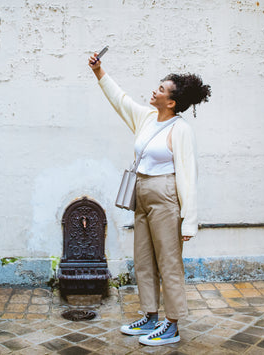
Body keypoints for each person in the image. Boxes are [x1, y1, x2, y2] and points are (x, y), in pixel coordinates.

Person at [88, 52, 211, 346]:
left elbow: (188, 175)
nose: (154, 91)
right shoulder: (146, 117)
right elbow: (121, 99)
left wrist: (188, 222)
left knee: (169, 263)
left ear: (171, 102)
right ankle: (150, 315)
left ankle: (172, 324)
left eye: (161, 89)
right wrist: (99, 71)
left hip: (166, 197)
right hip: (141, 195)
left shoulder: (180, 130)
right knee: (143, 260)